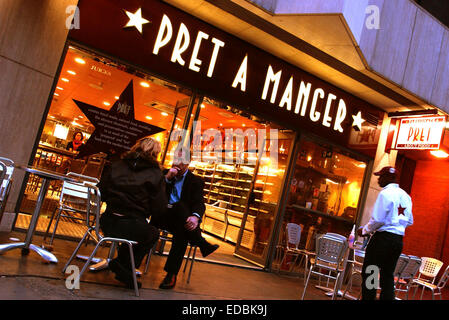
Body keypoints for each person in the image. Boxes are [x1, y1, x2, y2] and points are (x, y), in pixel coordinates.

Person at [97, 137, 167, 288]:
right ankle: (123, 266)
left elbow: (101, 191)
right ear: (156, 154)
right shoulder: (155, 174)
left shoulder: (117, 165)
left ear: (136, 147)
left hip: (107, 222)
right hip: (132, 225)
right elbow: (159, 208)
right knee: (152, 233)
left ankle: (122, 266)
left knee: (142, 231)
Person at [150, 150, 219, 289]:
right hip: (162, 215)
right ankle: (201, 242)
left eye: (181, 161)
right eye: (175, 159)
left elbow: (199, 203)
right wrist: (168, 178)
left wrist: (195, 216)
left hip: (179, 221)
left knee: (182, 231)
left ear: (188, 163)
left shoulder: (196, 181)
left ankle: (171, 274)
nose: (177, 164)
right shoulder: (164, 175)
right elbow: (152, 193)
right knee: (180, 207)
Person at [357, 166, 413, 300]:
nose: (378, 180)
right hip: (398, 240)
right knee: (387, 275)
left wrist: (364, 230)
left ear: (389, 178)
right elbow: (410, 221)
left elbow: (378, 219)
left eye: (381, 176)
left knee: (371, 271)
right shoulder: (405, 196)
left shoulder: (385, 193)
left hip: (383, 239)